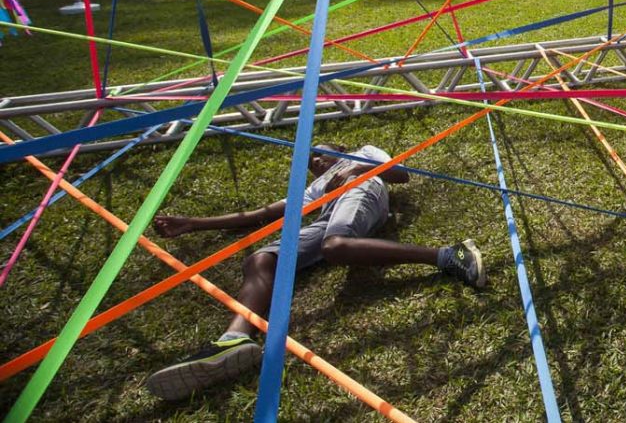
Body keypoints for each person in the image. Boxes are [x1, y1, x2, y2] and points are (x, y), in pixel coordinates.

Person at [145, 144, 485, 400]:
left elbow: (401, 173)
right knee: (260, 260)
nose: (317, 162)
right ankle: (233, 340)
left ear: (339, 149)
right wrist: (193, 224)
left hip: (361, 190)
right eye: (312, 163)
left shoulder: (362, 154)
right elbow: (260, 214)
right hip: (327, 216)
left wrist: (356, 172)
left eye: (321, 155)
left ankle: (449, 255)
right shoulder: (316, 188)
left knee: (335, 247)